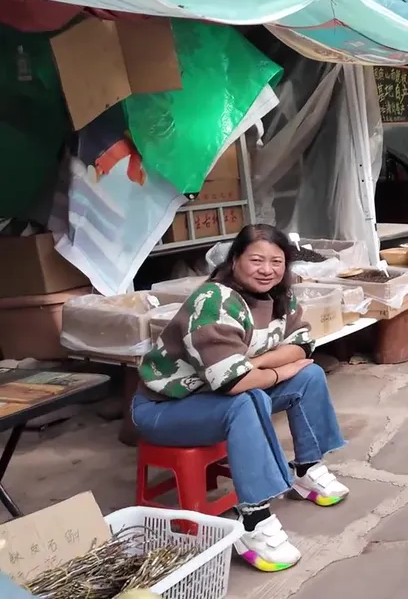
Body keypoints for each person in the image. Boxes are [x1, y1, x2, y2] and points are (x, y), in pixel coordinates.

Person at [133, 224, 347, 573]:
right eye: (256, 260)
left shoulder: (281, 295)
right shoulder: (213, 302)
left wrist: (257, 364)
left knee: (308, 376)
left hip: (216, 394)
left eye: (276, 262)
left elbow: (302, 346)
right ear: (234, 261)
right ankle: (253, 518)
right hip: (166, 408)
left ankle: (307, 468)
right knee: (247, 401)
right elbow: (233, 383)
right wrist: (277, 372)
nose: (267, 270)